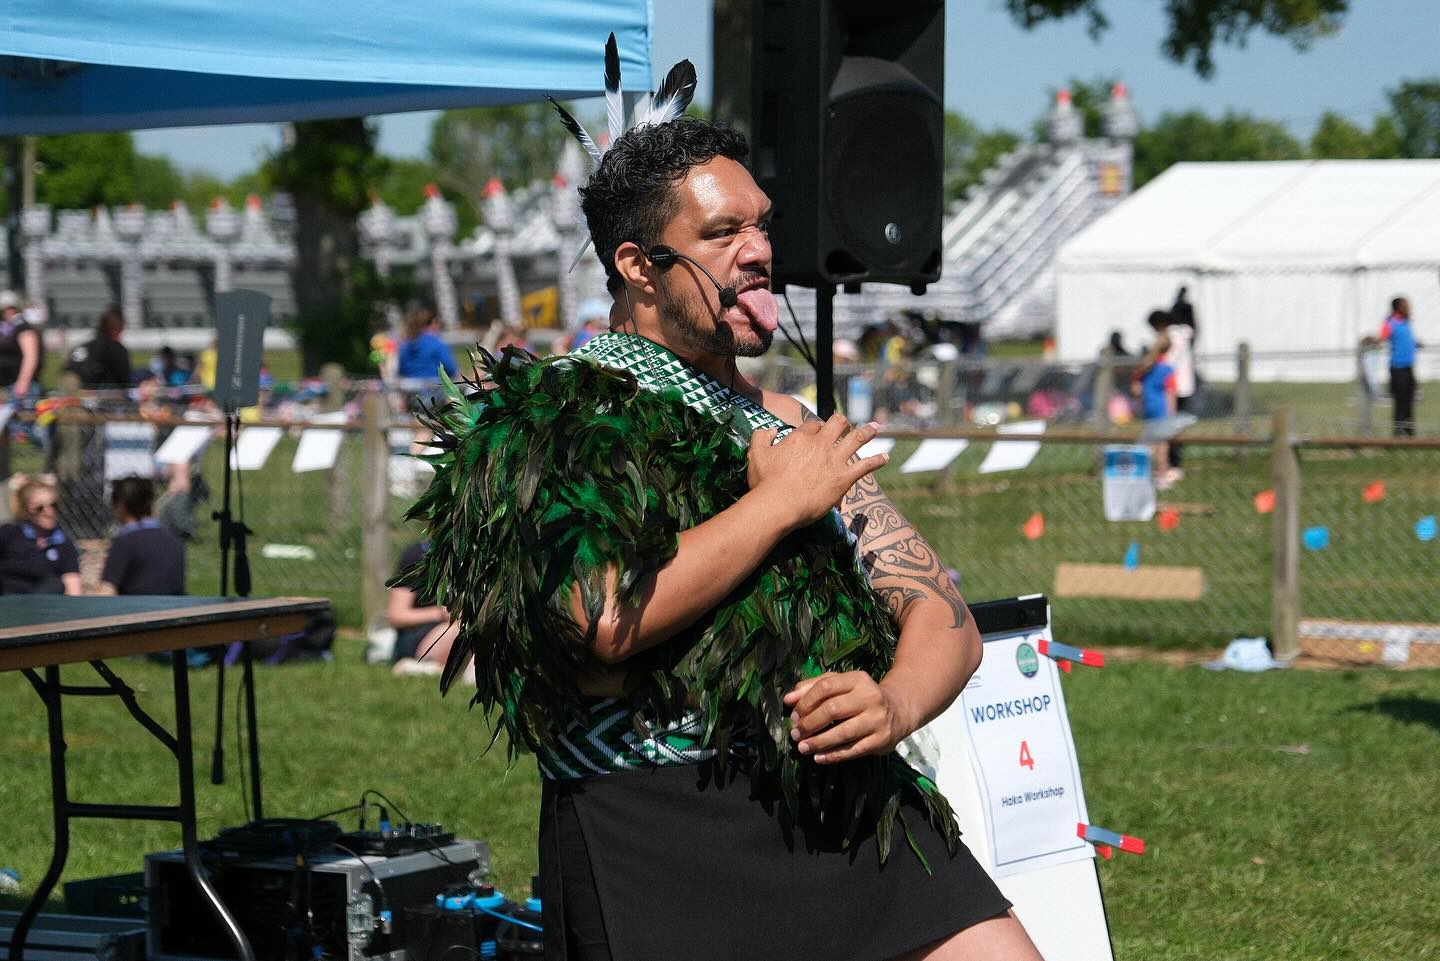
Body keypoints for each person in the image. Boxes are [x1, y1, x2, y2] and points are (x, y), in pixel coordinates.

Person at [402, 108, 1039, 960]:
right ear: (639, 265)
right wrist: (778, 504)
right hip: (660, 826)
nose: (759, 249)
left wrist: (892, 702)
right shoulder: (553, 416)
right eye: (723, 231)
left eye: (762, 225)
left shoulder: (790, 424)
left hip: (844, 802)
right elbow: (597, 618)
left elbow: (943, 614)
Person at [98, 476, 185, 595]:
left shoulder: (124, 543)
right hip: (174, 610)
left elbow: (107, 590)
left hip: (137, 611)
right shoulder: (173, 541)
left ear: (120, 506)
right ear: (151, 504)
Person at [387, 540, 461, 676]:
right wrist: (440, 613)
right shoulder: (416, 556)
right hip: (419, 636)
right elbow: (396, 615)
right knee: (462, 629)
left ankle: (430, 669)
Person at [0, 476, 81, 595]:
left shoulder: (63, 543)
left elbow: (73, 588)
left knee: (56, 584)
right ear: (25, 511)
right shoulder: (9, 535)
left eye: (54, 505)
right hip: (8, 603)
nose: (49, 512)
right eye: (39, 508)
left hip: (43, 607)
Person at [1134, 328, 1178, 488]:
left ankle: (1142, 472)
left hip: (1148, 408)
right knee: (1162, 446)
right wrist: (1172, 415)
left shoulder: (1146, 367)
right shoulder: (1167, 370)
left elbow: (1136, 388)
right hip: (1162, 410)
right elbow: (1170, 395)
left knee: (1150, 443)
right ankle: (1162, 477)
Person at [65, 306, 132, 389]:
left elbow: (66, 376)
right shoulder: (117, 350)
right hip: (107, 398)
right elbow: (125, 382)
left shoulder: (81, 348)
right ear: (119, 327)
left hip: (78, 398)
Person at [1380, 296, 1419, 436]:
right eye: (1405, 305)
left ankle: (1409, 432)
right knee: (1400, 401)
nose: (1408, 308)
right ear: (1398, 307)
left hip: (1409, 367)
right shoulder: (1391, 322)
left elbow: (1408, 340)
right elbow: (1382, 337)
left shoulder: (1406, 321)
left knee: (1410, 400)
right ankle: (1398, 432)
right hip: (1398, 368)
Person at [397, 305, 459, 384]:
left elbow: (402, 371)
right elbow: (451, 370)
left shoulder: (405, 345)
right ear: (431, 323)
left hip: (411, 391)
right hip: (435, 391)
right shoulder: (437, 344)